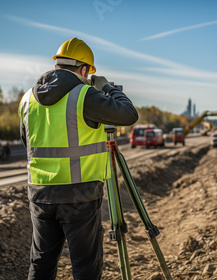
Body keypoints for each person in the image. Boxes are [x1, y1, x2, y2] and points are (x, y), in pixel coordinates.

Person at [18, 37, 139, 280]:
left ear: (57, 66)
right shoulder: (84, 95)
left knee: (41, 264)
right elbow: (129, 114)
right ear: (84, 70)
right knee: (85, 268)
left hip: (40, 193)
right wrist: (108, 89)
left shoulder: (27, 99)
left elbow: (27, 142)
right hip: (80, 194)